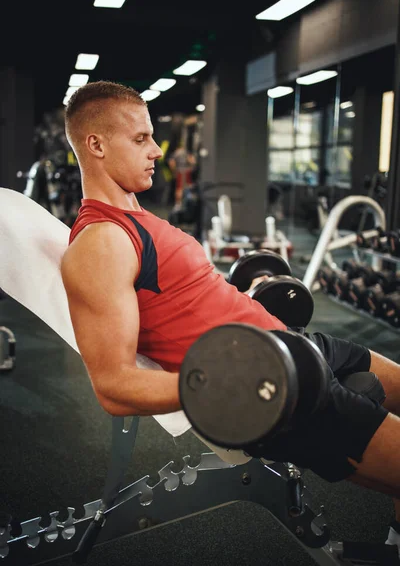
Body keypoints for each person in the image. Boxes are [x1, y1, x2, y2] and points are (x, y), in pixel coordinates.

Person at [62, 81, 400, 553]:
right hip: (280, 388)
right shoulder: (101, 243)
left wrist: (248, 294)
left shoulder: (138, 216)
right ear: (95, 145)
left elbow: (195, 300)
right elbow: (113, 385)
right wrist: (230, 382)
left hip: (297, 346)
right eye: (140, 139)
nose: (157, 150)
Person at [167, 143, 196, 208]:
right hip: (184, 171)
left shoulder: (177, 153)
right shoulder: (184, 152)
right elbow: (192, 161)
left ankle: (179, 204)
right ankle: (181, 204)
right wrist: (191, 168)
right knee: (184, 187)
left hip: (182, 172)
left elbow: (171, 163)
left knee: (181, 188)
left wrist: (174, 171)